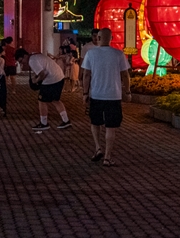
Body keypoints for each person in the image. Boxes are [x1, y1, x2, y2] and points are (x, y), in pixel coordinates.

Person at [80, 27, 131, 166]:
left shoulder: (91, 54)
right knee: (111, 127)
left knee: (95, 123)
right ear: (112, 39)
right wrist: (128, 91)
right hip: (113, 95)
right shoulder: (118, 54)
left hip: (96, 94)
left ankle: (97, 147)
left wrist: (85, 93)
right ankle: (107, 157)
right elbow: (125, 75)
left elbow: (86, 75)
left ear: (98, 38)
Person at [27, 50, 70, 132]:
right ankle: (66, 120)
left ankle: (44, 123)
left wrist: (35, 81)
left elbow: (42, 74)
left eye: (21, 61)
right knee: (55, 100)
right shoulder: (37, 56)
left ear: (24, 57)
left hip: (51, 79)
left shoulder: (32, 60)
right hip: (59, 76)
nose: (22, 63)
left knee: (41, 100)